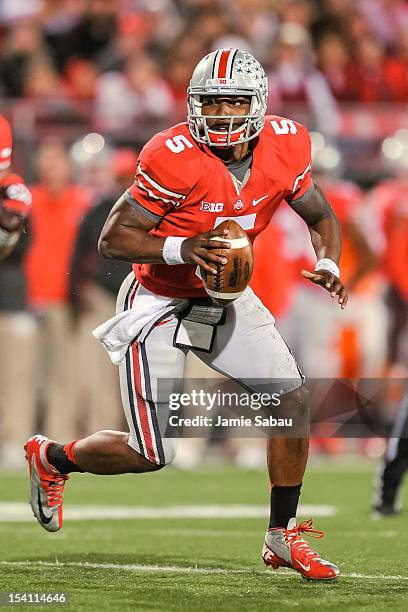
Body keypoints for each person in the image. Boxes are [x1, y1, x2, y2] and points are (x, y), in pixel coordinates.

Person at [25, 49, 347, 581]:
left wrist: (328, 259)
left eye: (232, 102)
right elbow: (113, 239)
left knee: (289, 399)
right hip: (158, 301)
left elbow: (320, 214)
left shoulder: (287, 145)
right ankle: (54, 459)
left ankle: (281, 536)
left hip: (224, 299)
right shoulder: (173, 154)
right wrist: (184, 247)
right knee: (151, 452)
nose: (220, 114)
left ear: (258, 105)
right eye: (211, 102)